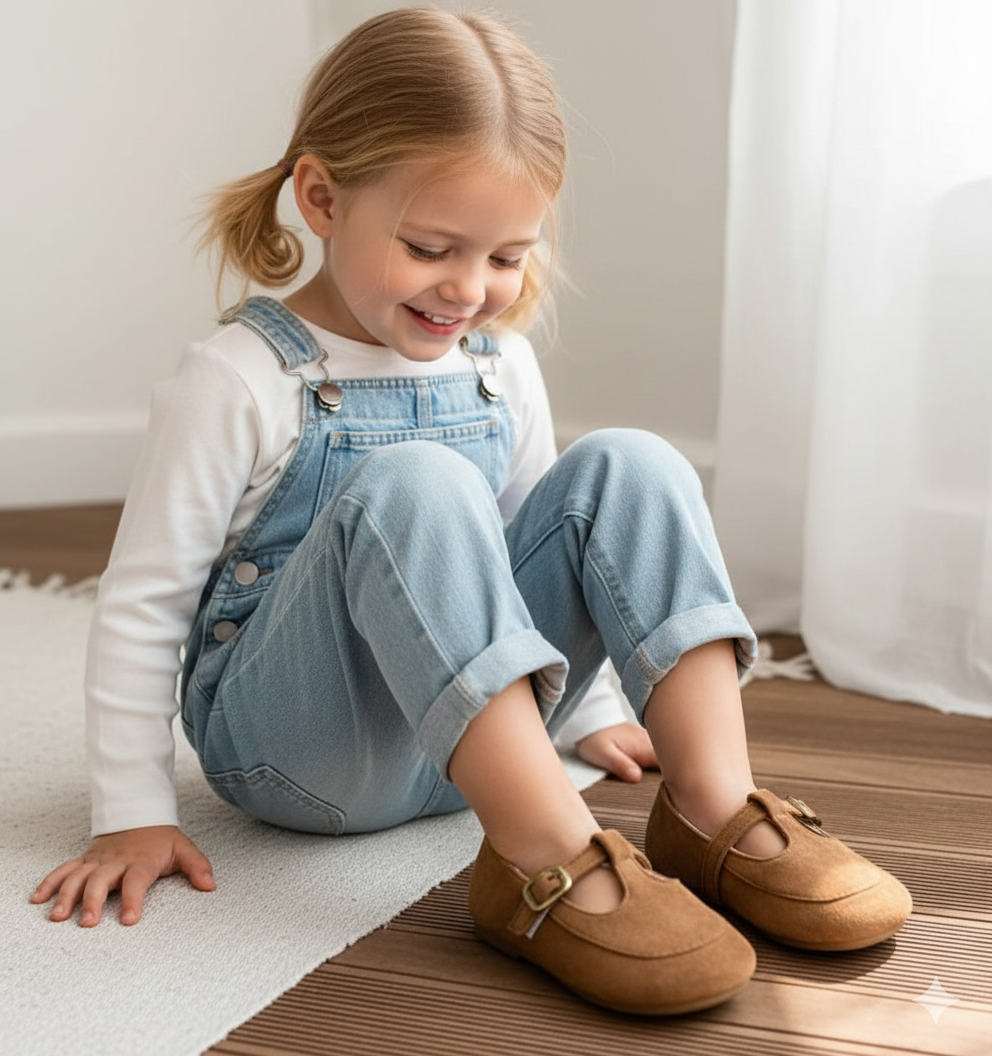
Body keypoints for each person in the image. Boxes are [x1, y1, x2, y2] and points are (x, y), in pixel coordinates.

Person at [31, 8, 911, 1016]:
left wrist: (583, 712)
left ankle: (713, 810)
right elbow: (144, 603)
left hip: (477, 751)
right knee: (418, 483)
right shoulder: (237, 378)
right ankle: (544, 861)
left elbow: (542, 554)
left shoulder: (501, 367)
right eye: (430, 247)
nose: (470, 290)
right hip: (299, 756)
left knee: (633, 462)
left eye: (504, 256)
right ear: (320, 197)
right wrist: (132, 813)